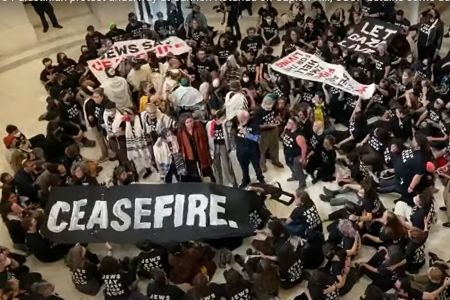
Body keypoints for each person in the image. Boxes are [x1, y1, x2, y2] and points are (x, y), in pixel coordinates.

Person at [206, 109, 236, 186]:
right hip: (214, 146)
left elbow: (229, 134)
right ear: (217, 118)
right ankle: (219, 184)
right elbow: (208, 136)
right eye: (222, 118)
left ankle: (233, 182)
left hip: (223, 145)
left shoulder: (225, 124)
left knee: (227, 165)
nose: (224, 119)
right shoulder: (209, 124)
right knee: (216, 166)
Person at [235, 109, 264, 188]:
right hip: (241, 150)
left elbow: (258, 139)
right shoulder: (236, 124)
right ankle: (246, 179)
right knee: (244, 167)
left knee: (257, 167)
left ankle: (261, 180)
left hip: (252, 150)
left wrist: (246, 133)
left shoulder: (254, 124)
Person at [281, 116, 307, 188]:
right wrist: (284, 131)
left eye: (289, 123)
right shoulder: (287, 128)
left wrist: (302, 158)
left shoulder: (298, 136)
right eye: (288, 122)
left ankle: (302, 184)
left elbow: (304, 147)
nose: (287, 124)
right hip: (287, 153)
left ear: (294, 125)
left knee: (298, 170)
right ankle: (295, 176)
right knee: (289, 165)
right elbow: (282, 136)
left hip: (296, 155)